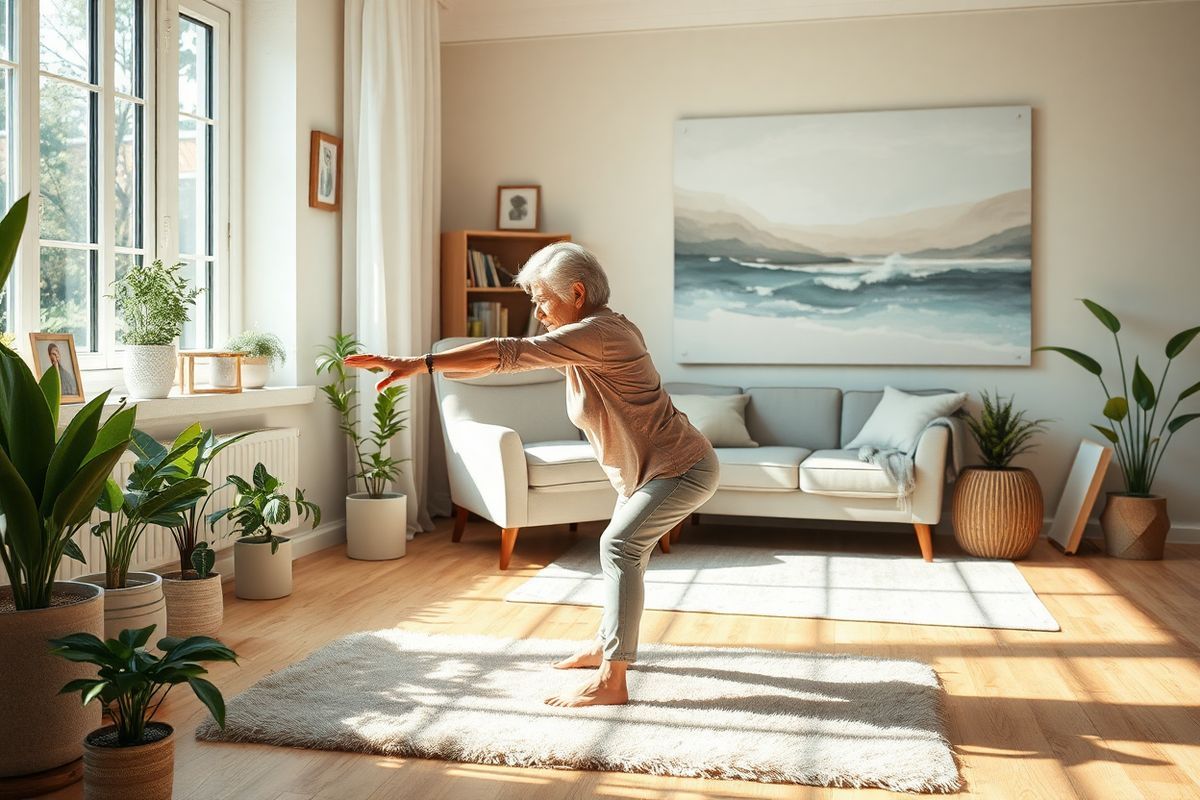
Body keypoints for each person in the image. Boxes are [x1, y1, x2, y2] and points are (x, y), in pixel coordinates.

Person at [345, 242, 719, 707]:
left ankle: (613, 681)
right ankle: (608, 646)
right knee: (624, 554)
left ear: (577, 293)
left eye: (542, 298)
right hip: (646, 472)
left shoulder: (601, 334)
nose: (538, 311)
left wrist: (422, 364)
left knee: (619, 546)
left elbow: (509, 353)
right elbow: (507, 359)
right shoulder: (585, 338)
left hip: (679, 467)